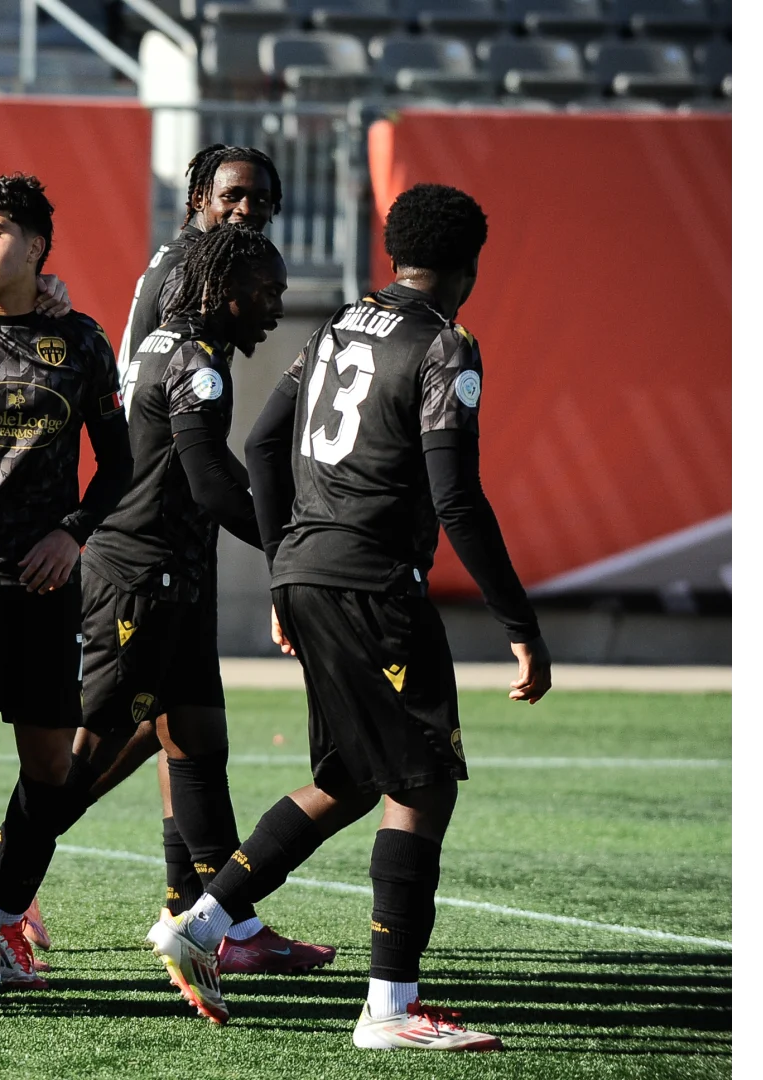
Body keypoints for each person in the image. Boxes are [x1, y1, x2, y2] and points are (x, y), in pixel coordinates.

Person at [149, 184, 552, 1048]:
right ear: (470, 267)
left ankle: (203, 920)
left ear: (393, 252)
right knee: (422, 784)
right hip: (374, 583)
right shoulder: (444, 343)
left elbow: (263, 445)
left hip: (307, 570)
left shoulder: (335, 327)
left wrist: (287, 565)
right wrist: (520, 624)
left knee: (349, 779)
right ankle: (391, 1009)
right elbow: (457, 499)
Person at [50, 144, 328, 974]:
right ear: (199, 196)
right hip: (149, 547)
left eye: (261, 202)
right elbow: (188, 452)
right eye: (233, 196)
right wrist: (290, 547)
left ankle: (210, 914)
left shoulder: (193, 286)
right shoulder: (191, 294)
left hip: (171, 544)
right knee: (112, 735)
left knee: (191, 732)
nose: (247, 211)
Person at [0, 174, 133, 992]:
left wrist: (71, 534)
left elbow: (120, 465)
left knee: (50, 766)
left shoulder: (80, 340)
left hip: (47, 583)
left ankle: (6, 912)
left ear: (38, 246)